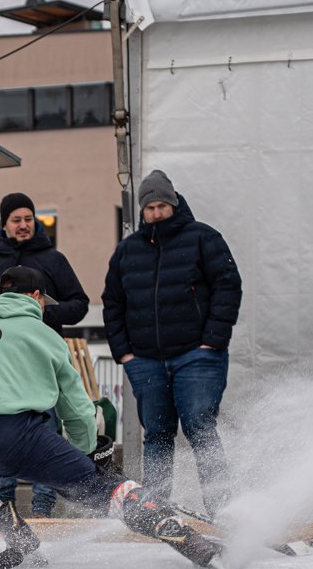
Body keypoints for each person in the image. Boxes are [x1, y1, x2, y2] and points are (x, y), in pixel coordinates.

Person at [0, 266, 225, 569]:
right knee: (100, 488)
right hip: (18, 437)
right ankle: (170, 526)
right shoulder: (45, 336)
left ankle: (0, 518)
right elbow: (77, 409)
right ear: (35, 296)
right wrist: (85, 453)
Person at [102, 170, 242, 518]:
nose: (156, 213)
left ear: (174, 204)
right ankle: (156, 509)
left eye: (162, 206)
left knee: (200, 428)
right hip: (145, 360)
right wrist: (125, 353)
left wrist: (213, 341)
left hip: (197, 356)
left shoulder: (203, 238)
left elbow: (227, 286)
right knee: (157, 435)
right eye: (150, 208)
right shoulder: (127, 251)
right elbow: (112, 302)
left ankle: (221, 508)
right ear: (142, 211)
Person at [0, 192, 90, 519]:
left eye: (28, 219)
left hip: (41, 359)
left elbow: (79, 304)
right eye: (16, 220)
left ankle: (43, 508)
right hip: (0, 362)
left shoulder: (53, 260)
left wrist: (41, 312)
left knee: (45, 430)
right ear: (4, 224)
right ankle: (4, 504)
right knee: (1, 429)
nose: (23, 225)